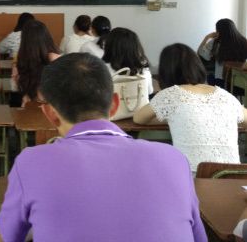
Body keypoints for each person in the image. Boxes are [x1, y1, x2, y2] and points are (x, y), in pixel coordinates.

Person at [0, 53, 207, 242]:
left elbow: (7, 237)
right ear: (114, 104)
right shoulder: (174, 159)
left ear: (50, 114)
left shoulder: (31, 162)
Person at [134, 43, 246, 173]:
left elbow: (138, 118)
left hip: (192, 178)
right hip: (232, 177)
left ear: (166, 72)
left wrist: (172, 118)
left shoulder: (170, 95)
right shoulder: (225, 96)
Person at [13, 19, 60, 106]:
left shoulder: (21, 60)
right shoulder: (55, 58)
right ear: (47, 37)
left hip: (31, 108)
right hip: (53, 108)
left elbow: (17, 91)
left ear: (24, 41)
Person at [102, 27, 154, 95]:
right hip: (140, 101)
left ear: (109, 46)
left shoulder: (102, 69)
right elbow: (150, 91)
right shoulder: (143, 68)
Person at [198, 18, 247, 86]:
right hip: (240, 81)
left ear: (220, 31)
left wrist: (207, 37)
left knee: (207, 76)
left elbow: (202, 54)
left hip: (220, 79)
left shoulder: (216, 42)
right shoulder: (243, 42)